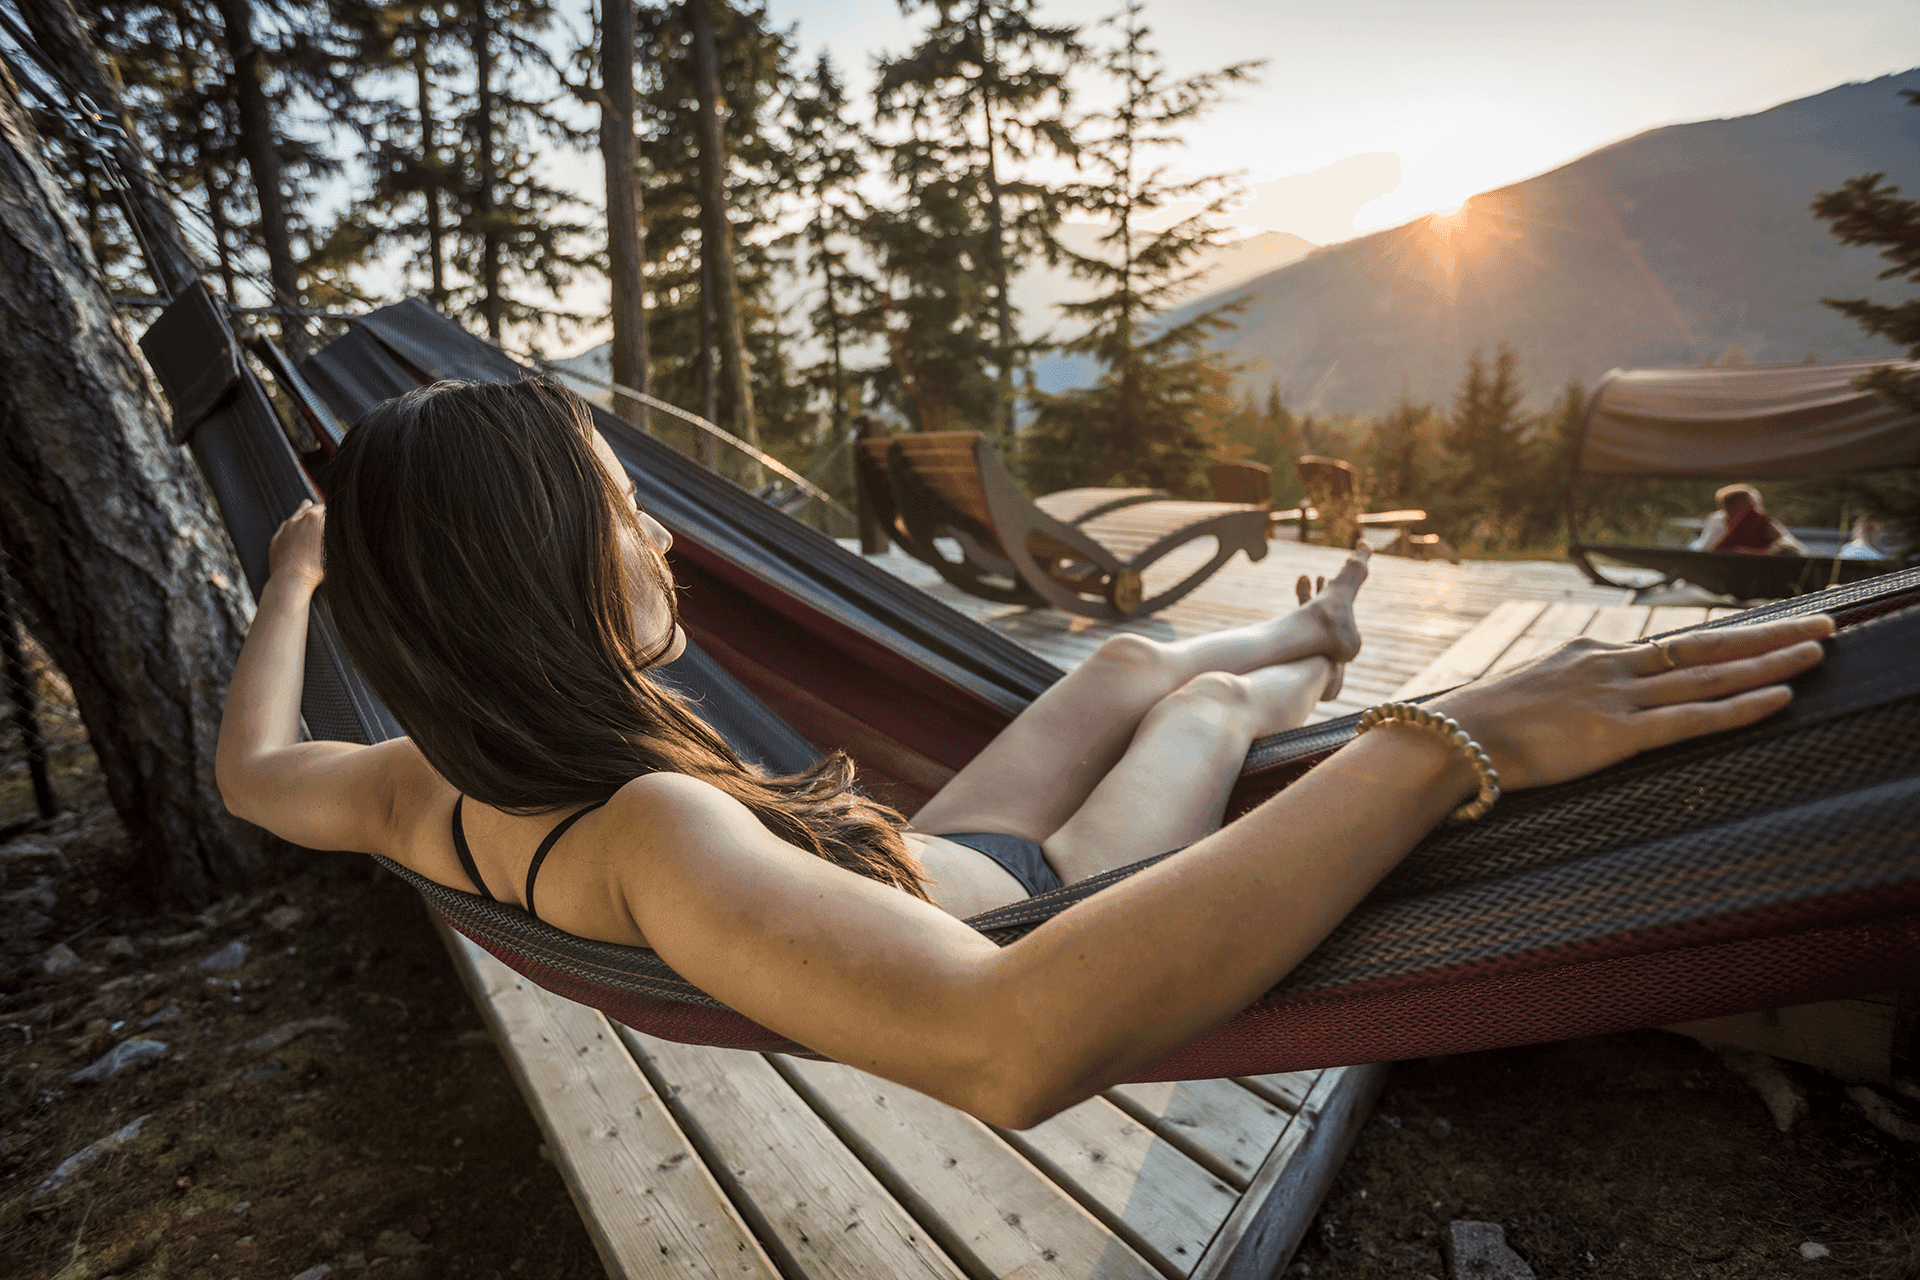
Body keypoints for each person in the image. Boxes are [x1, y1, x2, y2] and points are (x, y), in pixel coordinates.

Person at [217, 378, 1834, 1129]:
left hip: (894, 863)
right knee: (1191, 716)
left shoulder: (420, 781)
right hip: (1030, 901)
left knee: (1126, 655)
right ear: (539, 566)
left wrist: (294, 580)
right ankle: (1308, 670)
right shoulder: (653, 833)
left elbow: (249, 768)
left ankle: (1304, 636)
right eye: (628, 516)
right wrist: (1435, 742)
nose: (663, 545)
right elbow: (1006, 1048)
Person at [1688, 484, 1808, 556]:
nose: (1756, 509)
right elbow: (1705, 550)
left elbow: (1793, 548)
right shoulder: (1718, 521)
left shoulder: (1762, 521)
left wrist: (1771, 551)